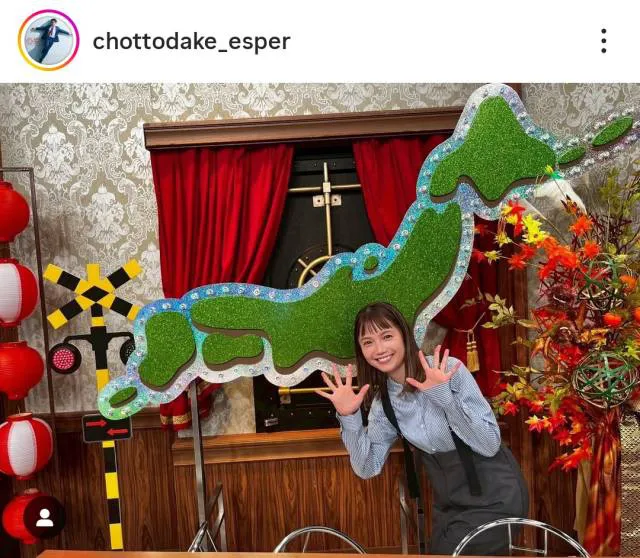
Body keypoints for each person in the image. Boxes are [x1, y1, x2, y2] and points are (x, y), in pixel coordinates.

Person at [316, 302, 528, 555]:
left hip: (496, 496)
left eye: (387, 336)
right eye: (368, 342)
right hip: (450, 507)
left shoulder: (448, 370)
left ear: (404, 336)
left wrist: (445, 399)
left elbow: (489, 443)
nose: (379, 349)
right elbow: (367, 467)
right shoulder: (384, 403)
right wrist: (348, 416)